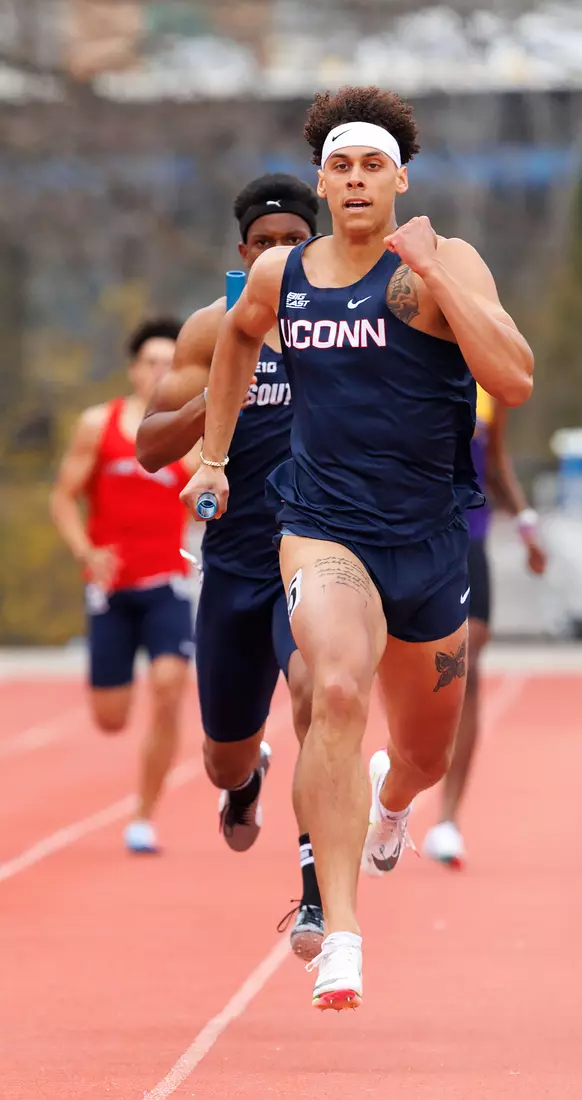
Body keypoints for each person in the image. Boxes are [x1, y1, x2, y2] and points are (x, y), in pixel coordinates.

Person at [181, 85, 534, 1011]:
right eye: (338, 166)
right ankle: (339, 930)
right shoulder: (281, 278)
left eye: (372, 165)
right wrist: (213, 456)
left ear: (399, 178)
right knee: (333, 686)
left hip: (427, 541)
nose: (354, 180)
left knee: (422, 751)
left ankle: (392, 801)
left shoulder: (439, 264)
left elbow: (515, 379)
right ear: (321, 182)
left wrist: (441, 275)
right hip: (321, 529)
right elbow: (233, 345)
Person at [136, 174, 324, 962]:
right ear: (242, 254)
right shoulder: (212, 329)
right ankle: (245, 782)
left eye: (294, 244)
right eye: (265, 246)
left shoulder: (345, 323)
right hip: (235, 565)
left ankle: (318, 891)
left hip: (318, 552)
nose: (280, 256)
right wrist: (218, 397)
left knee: (323, 691)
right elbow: (150, 448)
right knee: (223, 756)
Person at [50, 318, 195, 855]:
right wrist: (86, 552)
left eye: (170, 361)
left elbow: (208, 500)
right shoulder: (98, 424)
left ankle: (143, 815)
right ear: (134, 368)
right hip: (110, 588)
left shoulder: (192, 431)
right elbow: (63, 496)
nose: (160, 370)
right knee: (110, 719)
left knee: (168, 685)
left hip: (167, 584)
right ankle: (120, 684)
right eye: (151, 361)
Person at [423, 386, 547, 868]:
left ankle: (448, 820)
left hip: (469, 538)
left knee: (469, 663)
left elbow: (496, 465)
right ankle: (395, 784)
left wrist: (528, 528)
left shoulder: (488, 386)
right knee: (407, 669)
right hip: (413, 536)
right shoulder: (407, 356)